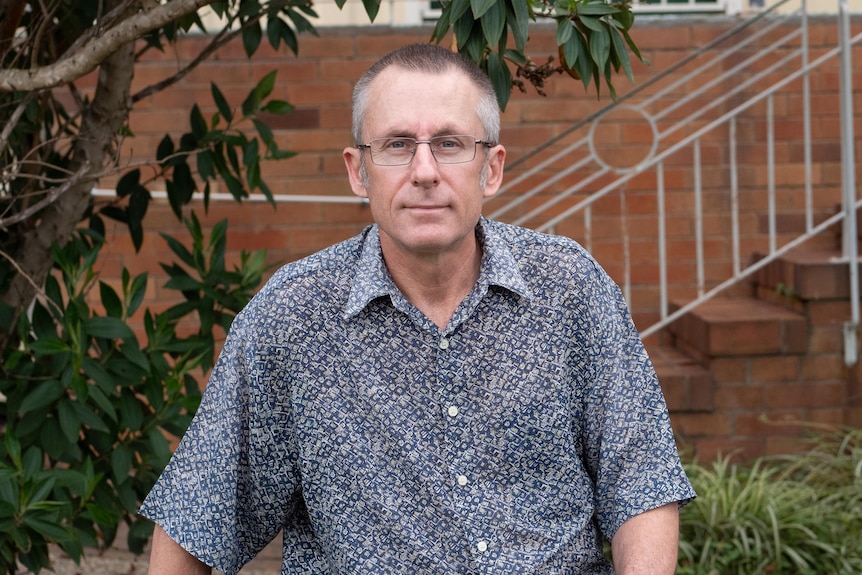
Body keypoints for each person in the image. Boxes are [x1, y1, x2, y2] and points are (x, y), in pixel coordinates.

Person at [141, 42, 695, 575]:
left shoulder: (569, 287)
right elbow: (195, 520)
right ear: (359, 170)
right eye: (398, 144)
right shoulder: (292, 317)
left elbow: (640, 484)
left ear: (492, 169)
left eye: (450, 144)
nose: (425, 171)